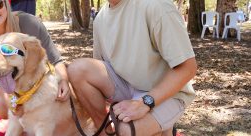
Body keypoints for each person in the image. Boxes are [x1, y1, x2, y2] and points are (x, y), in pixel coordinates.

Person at [67, 0, 197, 135]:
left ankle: (164, 128)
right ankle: (104, 132)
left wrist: (145, 103)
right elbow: (100, 68)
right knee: (77, 69)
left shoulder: (157, 6)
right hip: (126, 86)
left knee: (125, 130)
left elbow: (188, 68)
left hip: (169, 93)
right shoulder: (101, 18)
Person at [0, 0, 70, 119]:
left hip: (42, 81)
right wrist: (12, 98)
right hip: (11, 86)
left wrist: (63, 80)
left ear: (6, 3)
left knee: (77, 77)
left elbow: (55, 60)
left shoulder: (30, 23)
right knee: (1, 105)